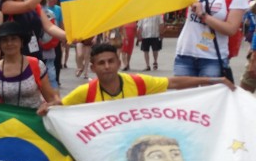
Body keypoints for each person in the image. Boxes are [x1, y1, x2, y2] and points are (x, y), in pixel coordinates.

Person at [38, 43, 235, 114]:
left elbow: (174, 82)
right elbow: (60, 108)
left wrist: (214, 81)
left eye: (111, 61)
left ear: (118, 62)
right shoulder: (86, 92)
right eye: (101, 63)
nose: (107, 67)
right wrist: (49, 107)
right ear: (93, 68)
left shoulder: (138, 82)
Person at [175, 0, 248, 78]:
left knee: (209, 98)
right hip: (185, 54)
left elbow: (231, 29)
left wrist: (204, 16)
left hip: (212, 58)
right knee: (185, 98)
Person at [0, 0, 66, 62]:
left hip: (35, 54)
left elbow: (50, 27)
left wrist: (69, 36)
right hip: (14, 56)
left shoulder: (35, 6)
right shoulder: (5, 5)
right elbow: (28, 5)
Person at [0, 22, 58, 109]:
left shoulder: (36, 65)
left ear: (21, 42)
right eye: (4, 40)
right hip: (7, 121)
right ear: (0, 44)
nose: (9, 43)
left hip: (35, 118)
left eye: (14, 39)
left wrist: (52, 105)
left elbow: (51, 98)